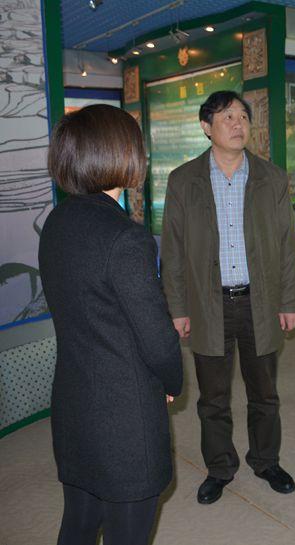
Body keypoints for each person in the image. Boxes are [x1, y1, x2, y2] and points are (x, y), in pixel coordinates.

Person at [39, 104, 183, 545]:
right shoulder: (126, 236)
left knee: (78, 525)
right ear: (121, 154)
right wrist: (172, 379)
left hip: (74, 404)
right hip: (124, 418)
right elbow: (156, 337)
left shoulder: (57, 222)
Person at [160, 91, 295, 505]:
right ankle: (220, 468)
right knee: (213, 398)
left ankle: (266, 460)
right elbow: (172, 250)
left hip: (260, 302)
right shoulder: (183, 180)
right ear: (206, 127)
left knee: (265, 393)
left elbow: (287, 243)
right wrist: (178, 307)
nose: (238, 123)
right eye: (227, 117)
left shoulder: (271, 178)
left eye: (243, 116)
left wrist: (290, 300)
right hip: (209, 304)